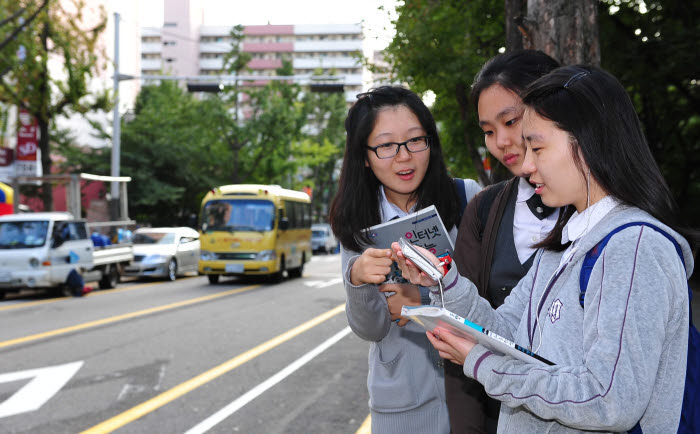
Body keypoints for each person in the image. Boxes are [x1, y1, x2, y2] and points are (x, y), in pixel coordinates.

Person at [392, 65, 695, 433]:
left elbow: (608, 400)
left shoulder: (633, 249)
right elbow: (504, 331)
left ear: (587, 142)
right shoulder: (564, 245)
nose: (528, 163)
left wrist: (483, 365)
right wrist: (446, 283)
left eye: (537, 146)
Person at [329, 85, 480, 433]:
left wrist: (420, 302)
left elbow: (492, 297)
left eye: (415, 140)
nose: (404, 157)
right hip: (401, 407)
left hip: (475, 392)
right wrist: (358, 280)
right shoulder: (355, 222)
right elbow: (370, 329)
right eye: (385, 146)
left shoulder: (466, 197)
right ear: (364, 155)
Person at [446, 50, 560, 433]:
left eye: (510, 121)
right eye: (488, 131)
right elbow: (470, 332)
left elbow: (612, 392)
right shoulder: (485, 209)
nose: (501, 142)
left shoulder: (605, 219)